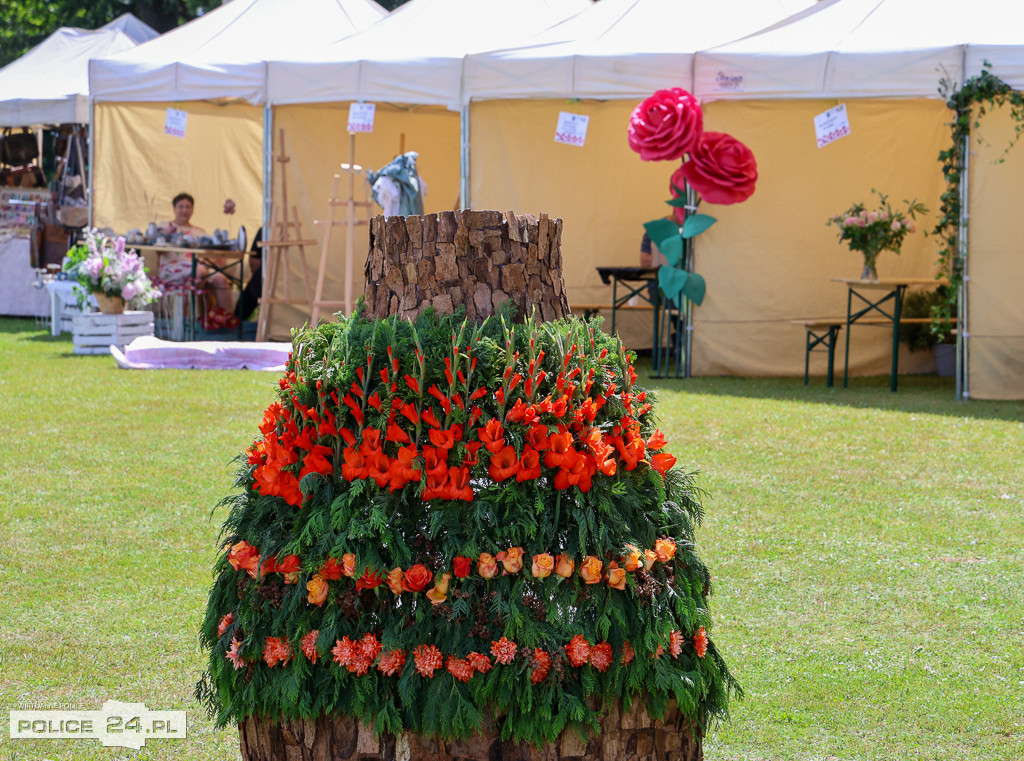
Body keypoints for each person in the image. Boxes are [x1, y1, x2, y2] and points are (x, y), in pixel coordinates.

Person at [156, 192, 232, 311]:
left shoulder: (199, 231)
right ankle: (182, 322)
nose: (184, 210)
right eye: (181, 206)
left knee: (220, 279)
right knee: (198, 273)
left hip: (200, 267)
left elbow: (207, 253)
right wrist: (166, 235)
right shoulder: (165, 227)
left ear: (192, 210)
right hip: (173, 268)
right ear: (174, 209)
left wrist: (215, 259)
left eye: (188, 207)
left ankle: (228, 321)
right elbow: (158, 251)